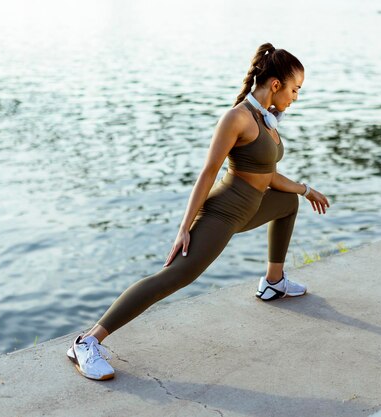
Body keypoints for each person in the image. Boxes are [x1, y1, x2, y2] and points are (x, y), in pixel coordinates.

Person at [66, 43, 330, 380]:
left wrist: (305, 190)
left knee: (288, 203)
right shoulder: (237, 118)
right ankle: (86, 342)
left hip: (250, 207)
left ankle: (274, 282)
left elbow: (267, 176)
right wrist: (185, 227)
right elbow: (208, 172)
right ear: (275, 84)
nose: (296, 97)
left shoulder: (267, 120)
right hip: (224, 212)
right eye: (295, 89)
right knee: (175, 276)